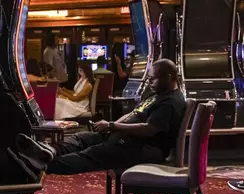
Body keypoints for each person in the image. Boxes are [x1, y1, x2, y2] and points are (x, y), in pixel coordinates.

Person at [13, 59, 186, 177]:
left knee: (89, 155)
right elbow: (134, 114)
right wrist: (113, 125)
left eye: (153, 79)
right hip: (124, 136)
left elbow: (149, 130)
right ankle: (50, 150)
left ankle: (38, 165)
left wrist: (113, 126)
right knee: (81, 138)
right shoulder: (158, 94)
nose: (149, 82)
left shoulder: (170, 102)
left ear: (169, 77)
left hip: (144, 147)